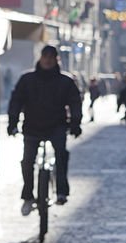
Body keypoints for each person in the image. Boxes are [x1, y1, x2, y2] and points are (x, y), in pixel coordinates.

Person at [8, 45, 82, 213]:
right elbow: (16, 101)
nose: (48, 60)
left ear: (56, 60)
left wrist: (75, 123)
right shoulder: (27, 79)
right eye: (45, 57)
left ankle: (62, 191)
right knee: (27, 161)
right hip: (32, 126)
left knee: (61, 156)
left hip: (57, 125)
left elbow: (74, 102)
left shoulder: (65, 81)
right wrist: (12, 122)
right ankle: (27, 195)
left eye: (51, 57)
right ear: (40, 58)